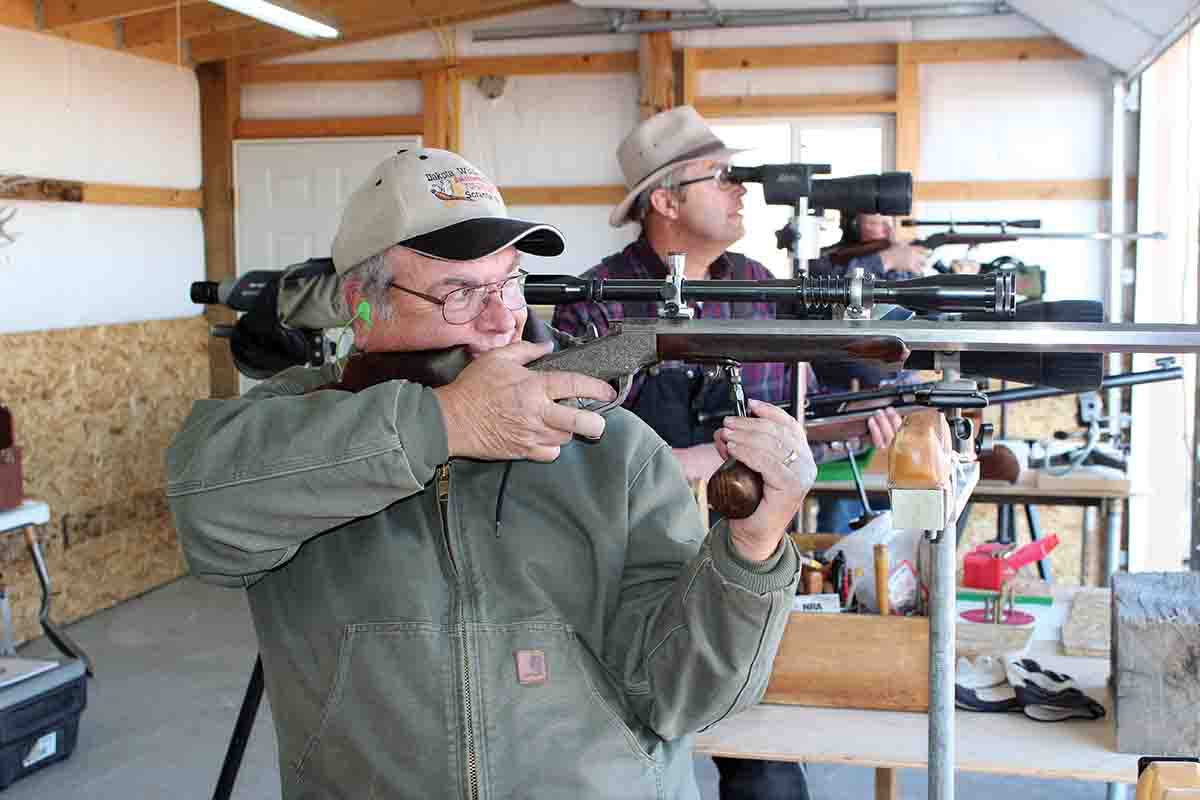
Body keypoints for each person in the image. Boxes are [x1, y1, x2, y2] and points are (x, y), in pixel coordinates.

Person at [166, 148, 817, 800]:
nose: (504, 318)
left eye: (508, 282)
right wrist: (443, 424)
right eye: (459, 293)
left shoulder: (612, 448)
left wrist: (752, 551)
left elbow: (685, 699)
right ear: (362, 307)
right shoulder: (295, 424)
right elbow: (205, 506)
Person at [552, 107, 902, 800]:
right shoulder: (596, 304)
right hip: (625, 570)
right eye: (722, 177)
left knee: (763, 760)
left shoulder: (758, 289)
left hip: (741, 558)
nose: (741, 190)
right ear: (664, 201)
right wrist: (710, 462)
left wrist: (862, 426)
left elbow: (787, 421)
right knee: (627, 749)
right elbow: (575, 450)